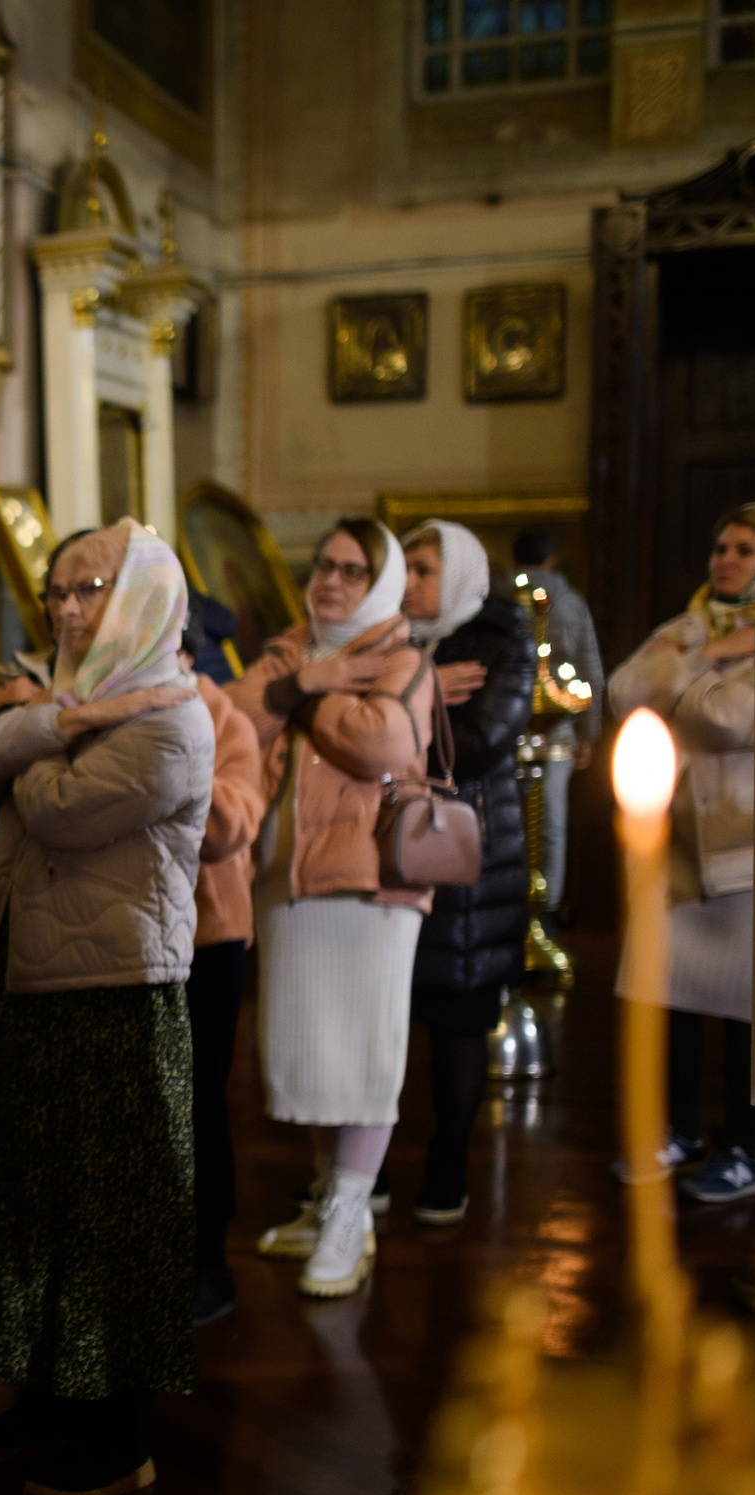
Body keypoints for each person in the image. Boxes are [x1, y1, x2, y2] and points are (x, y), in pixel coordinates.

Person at [0, 522, 210, 1495]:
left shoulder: (171, 720)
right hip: (32, 983)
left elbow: (49, 807)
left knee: (111, 1225)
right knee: (33, 1207)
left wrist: (33, 724)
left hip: (117, 996)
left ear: (138, 599)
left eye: (88, 589)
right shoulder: (87, 704)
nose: (63, 609)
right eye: (56, 591)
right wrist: (48, 721)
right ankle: (48, 1398)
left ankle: (117, 1437)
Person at [230, 518, 434, 1300]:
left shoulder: (403, 655)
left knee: (365, 1051)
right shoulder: (294, 645)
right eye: (325, 564)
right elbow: (236, 712)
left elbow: (382, 740)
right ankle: (330, 1198)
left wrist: (307, 694)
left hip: (370, 881)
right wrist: (312, 677)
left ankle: (353, 1209)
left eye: (354, 570)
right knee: (311, 1051)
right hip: (287, 877)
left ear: (379, 584)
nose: (333, 580)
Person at [608, 503, 755, 1203]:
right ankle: (679, 1130)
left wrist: (679, 680)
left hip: (744, 843)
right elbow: (621, 692)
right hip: (676, 843)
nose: (726, 559)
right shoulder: (698, 625)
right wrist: (711, 659)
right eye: (721, 546)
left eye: (745, 549)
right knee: (672, 994)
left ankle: (744, 1149)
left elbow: (733, 720)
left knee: (742, 1006)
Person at [399, 520, 533, 1226]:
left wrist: (397, 701)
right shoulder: (391, 641)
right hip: (389, 849)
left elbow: (475, 745)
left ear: (457, 575)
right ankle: (372, 1165)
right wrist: (421, 686)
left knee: (458, 1015)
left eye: (425, 568)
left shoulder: (499, 641)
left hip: (466, 856)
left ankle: (449, 1157)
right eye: (406, 565)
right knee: (388, 1018)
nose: (409, 580)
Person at [184, 607, 265, 1326]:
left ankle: (209, 1261)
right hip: (128, 936)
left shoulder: (222, 717)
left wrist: (162, 748)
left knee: (202, 1102)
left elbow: (230, 824)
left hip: (209, 935)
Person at [508, 529, 605, 918]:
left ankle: (512, 906)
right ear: (551, 560)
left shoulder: (502, 598)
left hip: (508, 725)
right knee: (551, 821)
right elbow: (592, 671)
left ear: (514, 561)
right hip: (559, 724)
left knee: (510, 821)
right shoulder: (572, 603)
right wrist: (589, 734)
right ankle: (545, 910)